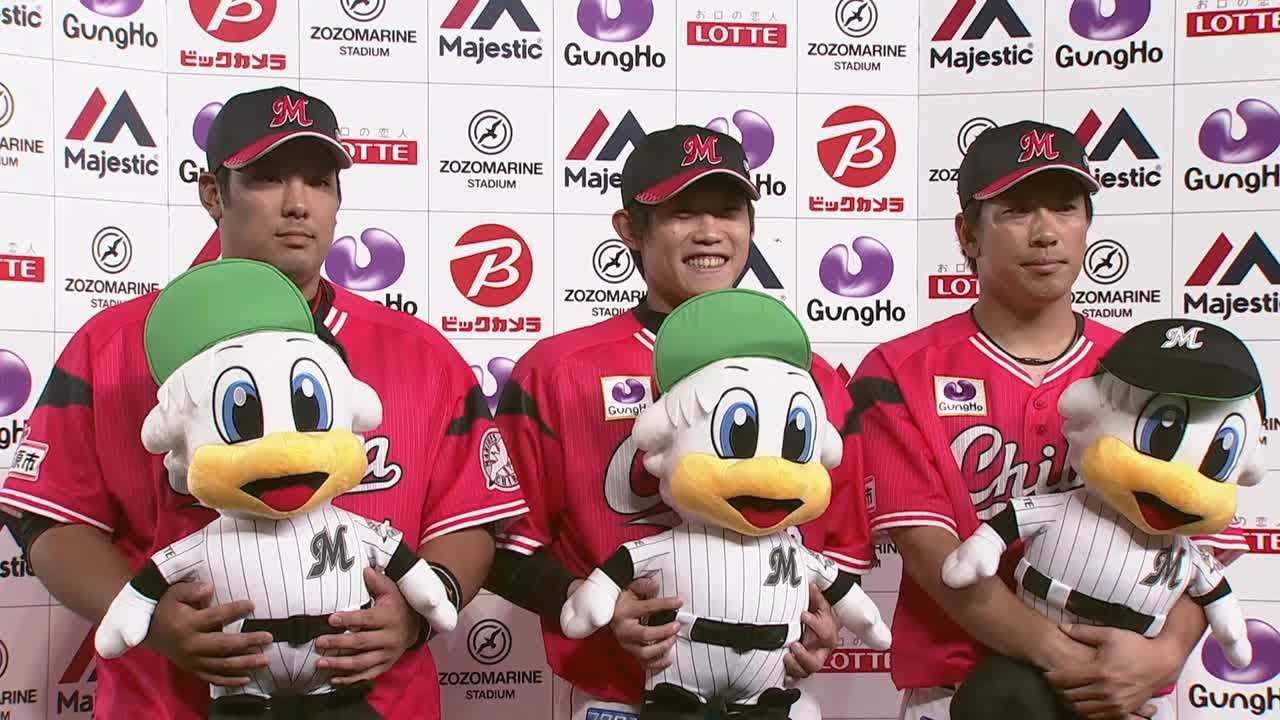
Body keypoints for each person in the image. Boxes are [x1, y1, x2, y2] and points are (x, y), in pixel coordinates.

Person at [0, 86, 526, 719]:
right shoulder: (113, 347)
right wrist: (147, 617)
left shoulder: (421, 355)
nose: (298, 203)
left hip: (378, 703)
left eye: (320, 181)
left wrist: (415, 614)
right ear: (213, 194)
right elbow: (50, 521)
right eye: (268, 177)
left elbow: (469, 522)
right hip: (170, 703)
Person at [847, 120, 1249, 720]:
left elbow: (1203, 544)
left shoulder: (1152, 369)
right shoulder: (899, 370)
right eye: (1015, 210)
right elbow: (932, 553)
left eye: (1065, 207)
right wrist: (1074, 664)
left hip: (1123, 695)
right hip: (961, 691)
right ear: (968, 233)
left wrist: (1163, 656)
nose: (1045, 233)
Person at [483, 124, 873, 719]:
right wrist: (588, 601)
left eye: (728, 211)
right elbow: (502, 548)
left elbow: (839, 547)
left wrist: (824, 621)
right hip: (617, 701)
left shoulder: (810, 378)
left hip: (771, 696)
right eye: (682, 213)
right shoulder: (557, 371)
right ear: (630, 229)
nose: (710, 232)